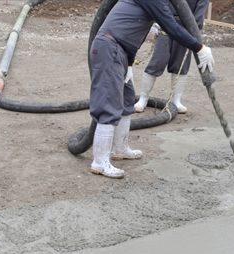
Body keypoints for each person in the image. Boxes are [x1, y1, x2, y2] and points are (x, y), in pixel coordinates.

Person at [88, 0, 215, 178]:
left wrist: (129, 64)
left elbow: (132, 33)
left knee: (126, 99)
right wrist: (199, 48)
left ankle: (120, 148)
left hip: (119, 51)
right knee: (109, 104)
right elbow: (171, 26)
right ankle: (100, 162)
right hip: (110, 48)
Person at [134, 0, 209, 114]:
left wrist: (195, 29)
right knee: (157, 61)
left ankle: (176, 101)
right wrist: (157, 19)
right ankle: (143, 98)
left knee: (181, 65)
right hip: (166, 23)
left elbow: (200, 10)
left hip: (186, 28)